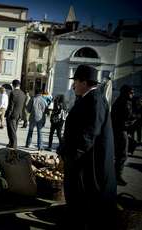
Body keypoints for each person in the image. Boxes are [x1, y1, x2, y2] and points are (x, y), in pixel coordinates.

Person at [58, 65, 116, 229]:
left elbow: (88, 135)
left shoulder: (95, 100)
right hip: (83, 162)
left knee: (84, 206)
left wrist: (70, 157)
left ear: (84, 82)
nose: (73, 85)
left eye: (75, 81)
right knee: (79, 204)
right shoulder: (88, 98)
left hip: (88, 165)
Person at [111, 85, 136, 186]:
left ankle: (115, 175)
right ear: (126, 92)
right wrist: (134, 118)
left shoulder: (120, 101)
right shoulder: (124, 102)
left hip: (119, 130)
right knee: (122, 155)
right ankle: (116, 176)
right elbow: (126, 117)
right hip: (121, 131)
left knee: (119, 155)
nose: (132, 94)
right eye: (131, 92)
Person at [5, 80, 26, 148]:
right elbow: (23, 105)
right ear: (19, 85)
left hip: (12, 115)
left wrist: (8, 115)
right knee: (14, 130)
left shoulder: (13, 93)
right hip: (19, 114)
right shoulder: (23, 93)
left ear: (13, 85)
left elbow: (11, 105)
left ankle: (14, 145)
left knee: (11, 131)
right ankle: (11, 143)